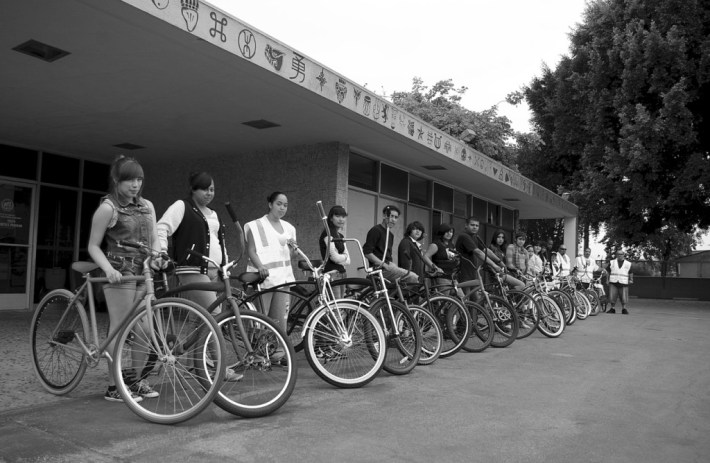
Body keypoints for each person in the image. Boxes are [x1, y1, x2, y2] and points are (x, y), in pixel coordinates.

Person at [87, 155, 162, 402]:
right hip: (120, 271)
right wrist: (108, 269)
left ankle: (136, 380)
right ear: (116, 180)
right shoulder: (108, 208)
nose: (135, 185)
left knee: (144, 330)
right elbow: (93, 246)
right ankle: (113, 385)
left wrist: (158, 256)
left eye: (139, 179)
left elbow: (153, 240)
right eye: (129, 179)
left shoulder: (147, 206)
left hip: (144, 271)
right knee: (119, 329)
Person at [157, 172, 242, 381]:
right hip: (192, 270)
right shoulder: (182, 206)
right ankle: (220, 368)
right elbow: (162, 227)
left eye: (212, 189)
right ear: (193, 189)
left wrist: (225, 267)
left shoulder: (213, 213)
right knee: (214, 318)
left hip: (215, 273)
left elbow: (218, 241)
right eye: (204, 189)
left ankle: (198, 367)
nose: (209, 193)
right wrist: (162, 253)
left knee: (201, 321)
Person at [245, 191, 297, 344]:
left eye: (285, 205)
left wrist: (293, 251)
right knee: (260, 318)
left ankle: (279, 354)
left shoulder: (290, 228)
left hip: (283, 279)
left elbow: (290, 255)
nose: (282, 208)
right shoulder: (256, 225)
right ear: (270, 204)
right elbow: (251, 250)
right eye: (279, 204)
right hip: (263, 279)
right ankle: (257, 352)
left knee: (280, 320)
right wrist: (260, 266)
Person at [454, 218, 523, 294]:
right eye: (472, 225)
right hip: (464, 272)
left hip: (472, 272)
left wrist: (499, 262)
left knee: (476, 300)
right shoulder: (464, 236)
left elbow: (486, 250)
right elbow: (478, 252)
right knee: (467, 299)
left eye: (477, 225)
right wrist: (494, 265)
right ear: (466, 225)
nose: (475, 227)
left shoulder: (475, 237)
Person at [363, 205, 418, 284]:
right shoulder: (376, 230)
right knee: (413, 277)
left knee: (415, 279)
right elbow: (367, 252)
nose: (393, 220)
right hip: (379, 269)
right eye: (391, 216)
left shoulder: (390, 235)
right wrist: (384, 265)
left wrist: (391, 265)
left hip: (388, 267)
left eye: (396, 217)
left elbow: (387, 255)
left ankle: (395, 295)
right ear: (385, 216)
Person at [319, 205, 350, 298]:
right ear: (331, 218)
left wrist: (343, 256)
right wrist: (344, 256)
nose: (341, 219)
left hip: (343, 273)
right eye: (337, 216)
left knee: (341, 306)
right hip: (331, 274)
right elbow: (335, 258)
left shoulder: (341, 236)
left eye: (343, 217)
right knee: (335, 307)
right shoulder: (327, 234)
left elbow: (349, 261)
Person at [606, 249, 633, 314]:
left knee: (624, 296)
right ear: (616, 255)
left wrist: (631, 279)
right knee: (612, 296)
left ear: (624, 255)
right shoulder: (612, 262)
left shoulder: (628, 263)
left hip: (623, 282)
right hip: (613, 281)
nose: (620, 255)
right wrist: (607, 279)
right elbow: (608, 271)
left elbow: (631, 272)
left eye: (621, 254)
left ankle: (624, 309)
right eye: (618, 254)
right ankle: (612, 308)